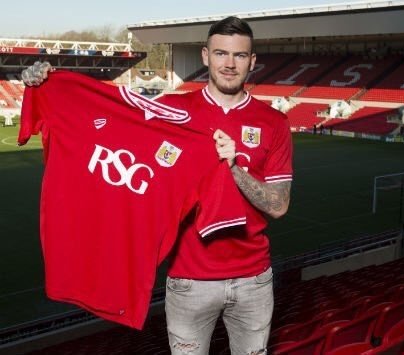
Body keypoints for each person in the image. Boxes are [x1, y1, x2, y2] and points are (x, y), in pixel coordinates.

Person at [22, 16, 293, 355]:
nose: (229, 63)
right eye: (221, 53)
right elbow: (111, 124)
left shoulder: (274, 123)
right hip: (188, 280)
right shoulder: (170, 110)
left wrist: (234, 167)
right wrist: (51, 85)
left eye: (239, 56)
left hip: (254, 280)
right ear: (205, 55)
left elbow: (279, 204)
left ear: (252, 61)